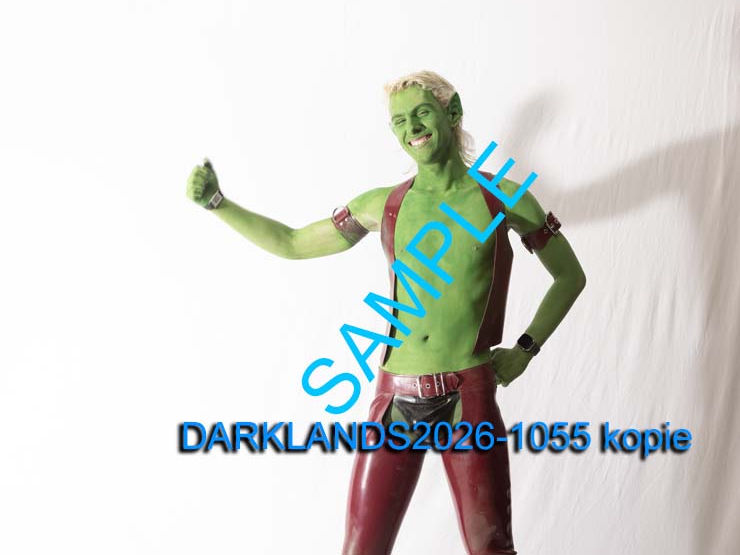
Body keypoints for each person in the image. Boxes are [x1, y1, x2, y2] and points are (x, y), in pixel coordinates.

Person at [186, 70, 586, 555]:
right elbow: (292, 243)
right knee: (362, 548)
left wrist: (524, 350)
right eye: (399, 121)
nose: (411, 127)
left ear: (452, 111)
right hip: (396, 397)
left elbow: (570, 276)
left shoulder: (502, 197)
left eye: (421, 113)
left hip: (469, 394)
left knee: (491, 548)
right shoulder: (383, 205)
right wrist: (218, 204)